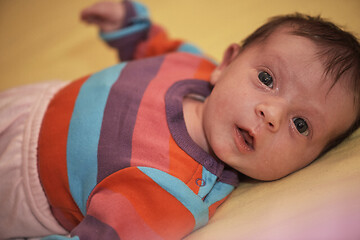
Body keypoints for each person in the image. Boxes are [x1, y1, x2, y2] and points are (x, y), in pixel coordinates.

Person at [0, 0, 359, 239]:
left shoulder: (173, 192)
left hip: (22, 180)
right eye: (267, 79)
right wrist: (128, 24)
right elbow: (153, 48)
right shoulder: (195, 66)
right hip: (34, 100)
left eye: (302, 125)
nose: (272, 114)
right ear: (227, 63)